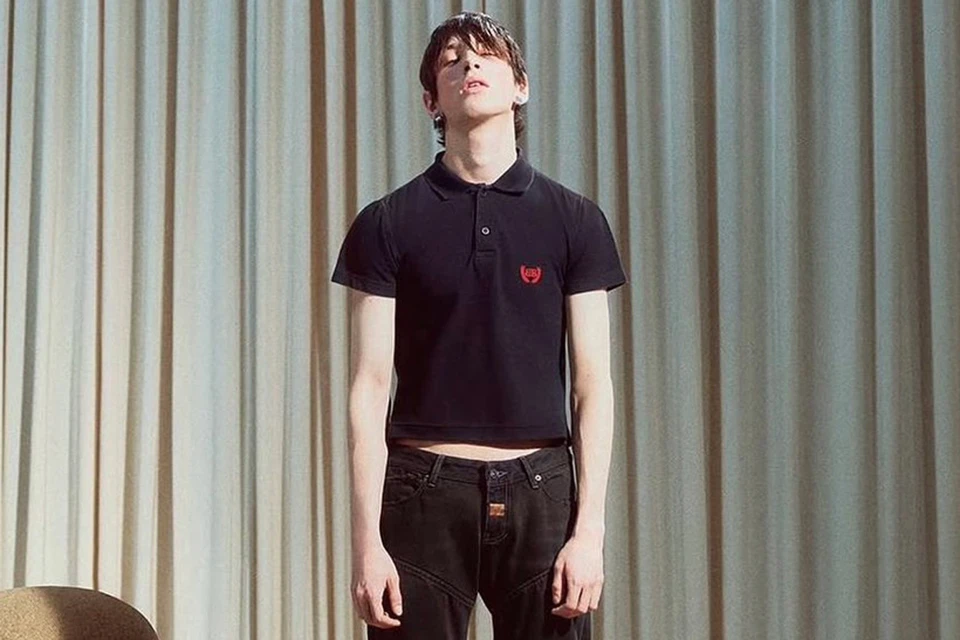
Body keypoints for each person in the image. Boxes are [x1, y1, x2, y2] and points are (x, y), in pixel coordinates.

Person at [331, 11, 626, 639]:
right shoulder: (386, 222)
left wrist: (590, 533)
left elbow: (592, 386)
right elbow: (369, 386)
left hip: (542, 486)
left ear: (520, 87)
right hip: (421, 489)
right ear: (430, 101)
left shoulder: (576, 220)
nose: (469, 64)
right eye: (451, 60)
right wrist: (365, 543)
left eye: (486, 55)